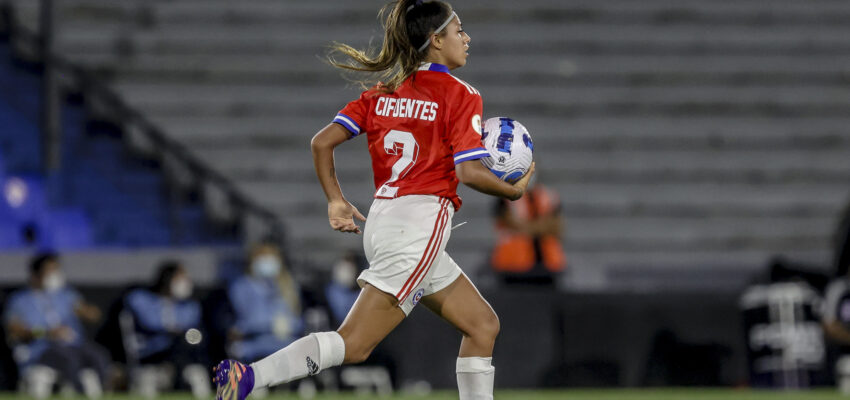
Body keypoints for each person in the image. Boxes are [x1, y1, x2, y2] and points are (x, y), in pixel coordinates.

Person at [213, 1, 535, 400]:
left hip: (384, 217)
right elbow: (469, 173)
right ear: (435, 41)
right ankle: (249, 377)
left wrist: (336, 200)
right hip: (419, 224)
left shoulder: (384, 91)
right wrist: (516, 189)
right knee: (355, 344)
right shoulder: (461, 94)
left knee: (482, 324)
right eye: (459, 31)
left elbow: (321, 142)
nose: (466, 39)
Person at [2, 252, 111, 397]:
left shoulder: (65, 296)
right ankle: (78, 393)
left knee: (98, 355)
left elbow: (94, 315)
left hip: (74, 346)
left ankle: (106, 393)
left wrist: (84, 311)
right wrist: (46, 332)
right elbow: (14, 330)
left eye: (57, 270)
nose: (56, 274)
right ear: (36, 274)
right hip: (42, 350)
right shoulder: (20, 300)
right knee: (70, 358)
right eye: (51, 270)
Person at [124, 260, 209, 396]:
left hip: (181, 356)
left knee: (191, 358)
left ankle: (179, 381)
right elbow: (150, 322)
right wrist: (172, 329)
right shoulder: (141, 298)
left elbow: (191, 330)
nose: (185, 283)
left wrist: (178, 331)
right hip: (152, 355)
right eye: (180, 278)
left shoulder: (190, 306)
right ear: (168, 279)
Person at [226, 242, 303, 363]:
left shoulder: (288, 286)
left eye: (271, 258)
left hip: (286, 348)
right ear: (253, 262)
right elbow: (241, 322)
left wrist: (289, 325)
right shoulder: (241, 287)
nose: (268, 262)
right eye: (263, 258)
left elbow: (297, 319)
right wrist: (271, 325)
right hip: (254, 349)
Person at [490, 176, 566, 285]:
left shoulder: (549, 195)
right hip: (513, 265)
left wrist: (526, 227)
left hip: (548, 264)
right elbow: (511, 222)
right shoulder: (505, 195)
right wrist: (543, 227)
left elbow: (557, 226)